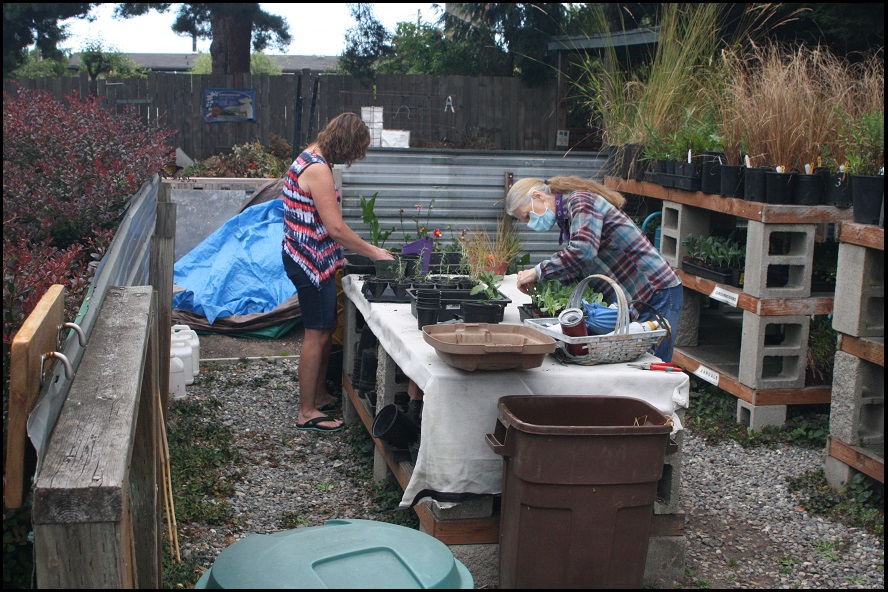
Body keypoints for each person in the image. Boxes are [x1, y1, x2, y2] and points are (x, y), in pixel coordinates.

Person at [282, 112, 395, 432]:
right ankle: (306, 411)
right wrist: (374, 252)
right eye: (354, 152)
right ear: (346, 144)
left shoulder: (312, 156)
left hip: (310, 257)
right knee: (316, 333)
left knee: (325, 326)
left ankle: (316, 395)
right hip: (309, 262)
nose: (352, 159)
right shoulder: (317, 169)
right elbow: (335, 228)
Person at [505, 175, 682, 362]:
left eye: (527, 216)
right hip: (637, 294)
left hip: (656, 290)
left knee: (653, 365)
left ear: (538, 196)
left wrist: (538, 271)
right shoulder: (567, 217)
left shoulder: (580, 201)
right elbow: (580, 266)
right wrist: (541, 283)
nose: (529, 223)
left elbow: (583, 250)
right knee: (636, 362)